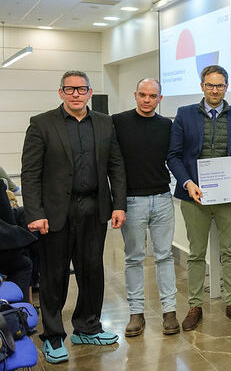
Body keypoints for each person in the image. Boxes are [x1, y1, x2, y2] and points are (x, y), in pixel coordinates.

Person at [20, 70, 126, 364]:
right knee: (54, 276)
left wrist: (119, 206)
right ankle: (53, 337)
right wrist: (35, 213)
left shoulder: (105, 123)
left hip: (94, 208)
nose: (76, 94)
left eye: (82, 89)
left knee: (92, 270)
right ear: (61, 93)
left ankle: (88, 326)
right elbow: (30, 173)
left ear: (90, 92)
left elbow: (116, 167)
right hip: (55, 213)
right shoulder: (42, 124)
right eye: (70, 89)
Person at [166, 65, 231, 330]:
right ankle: (194, 305)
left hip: (229, 197)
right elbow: (174, 156)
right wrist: (188, 182)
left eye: (220, 85)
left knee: (230, 250)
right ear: (202, 86)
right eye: (210, 85)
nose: (215, 90)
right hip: (195, 196)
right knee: (196, 253)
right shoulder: (184, 115)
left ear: (226, 87)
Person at [112, 78, 178, 337]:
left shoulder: (167, 125)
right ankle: (136, 313)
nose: (147, 99)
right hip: (132, 201)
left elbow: (173, 158)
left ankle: (169, 311)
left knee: (164, 256)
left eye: (152, 96)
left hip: (162, 198)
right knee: (134, 258)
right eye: (142, 94)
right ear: (135, 95)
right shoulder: (118, 122)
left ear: (160, 99)